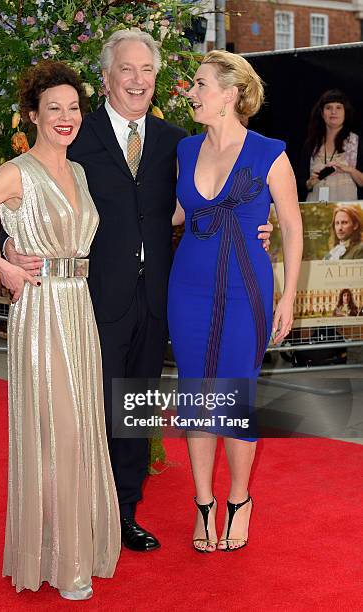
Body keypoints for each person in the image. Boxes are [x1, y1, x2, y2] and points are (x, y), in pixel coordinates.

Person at [0, 28, 274, 552]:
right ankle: (79, 511)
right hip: (91, 296)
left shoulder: (179, 142)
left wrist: (262, 226)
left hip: (160, 298)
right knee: (87, 406)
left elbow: (210, 200)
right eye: (126, 69)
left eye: (146, 70)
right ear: (105, 79)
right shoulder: (74, 132)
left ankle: (124, 512)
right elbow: (26, 188)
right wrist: (13, 243)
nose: (137, 80)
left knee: (136, 409)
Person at [0, 60, 120, 601]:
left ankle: (68, 551)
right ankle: (64, 565)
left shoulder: (81, 172)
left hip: (78, 308)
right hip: (41, 314)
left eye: (72, 108)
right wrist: (6, 266)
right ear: (34, 116)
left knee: (82, 428)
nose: (65, 118)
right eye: (53, 109)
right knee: (58, 432)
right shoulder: (17, 172)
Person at [168, 50, 303, 552]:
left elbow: (290, 225)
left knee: (235, 398)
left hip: (247, 288)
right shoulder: (184, 150)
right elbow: (178, 214)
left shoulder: (269, 151)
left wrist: (288, 294)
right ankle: (203, 504)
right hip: (188, 288)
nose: (192, 93)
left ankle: (239, 499)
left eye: (200, 84)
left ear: (230, 94)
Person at [305, 90, 363, 202]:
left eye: (338, 107)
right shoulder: (311, 144)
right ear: (322, 113)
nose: (333, 112)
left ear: (345, 112)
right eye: (328, 108)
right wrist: (310, 183)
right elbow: (300, 183)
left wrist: (349, 170)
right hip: (315, 207)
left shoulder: (357, 142)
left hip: (347, 209)